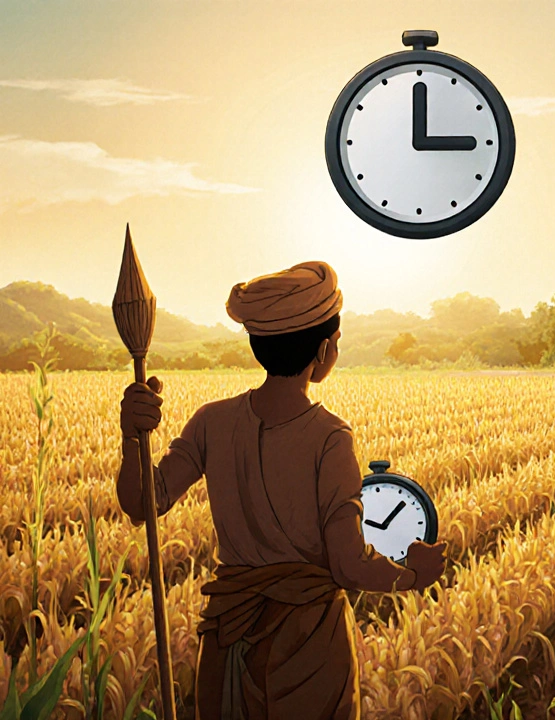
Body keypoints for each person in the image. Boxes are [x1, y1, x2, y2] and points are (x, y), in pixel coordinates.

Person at [117, 260, 446, 720]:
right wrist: (413, 575)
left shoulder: (212, 421)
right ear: (326, 350)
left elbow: (141, 503)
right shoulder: (330, 437)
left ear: (258, 347)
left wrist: (132, 439)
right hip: (308, 646)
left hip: (228, 639)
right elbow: (349, 565)